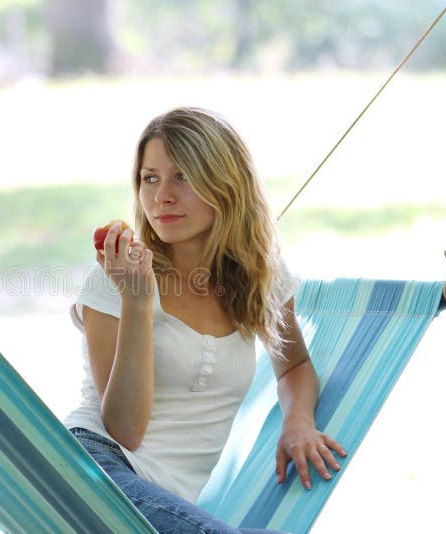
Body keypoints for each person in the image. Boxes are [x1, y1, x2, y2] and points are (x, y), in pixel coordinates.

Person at [64, 107, 347, 534]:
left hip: (166, 507)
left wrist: (298, 422)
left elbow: (294, 366)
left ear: (226, 184)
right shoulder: (117, 279)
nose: (162, 197)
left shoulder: (261, 277)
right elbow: (125, 430)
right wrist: (138, 302)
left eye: (183, 176)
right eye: (150, 178)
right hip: (92, 472)